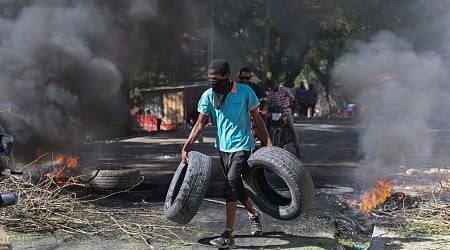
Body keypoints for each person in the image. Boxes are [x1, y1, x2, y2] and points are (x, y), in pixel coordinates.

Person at [181, 59, 272, 248]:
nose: (213, 82)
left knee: (229, 185)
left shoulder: (245, 92)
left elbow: (257, 120)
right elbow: (200, 124)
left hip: (243, 146)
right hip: (222, 148)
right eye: (210, 79)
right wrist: (186, 146)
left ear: (226, 76)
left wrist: (267, 142)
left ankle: (227, 234)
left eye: (216, 78)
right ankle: (254, 214)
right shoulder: (208, 96)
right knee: (236, 187)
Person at [267, 77, 301, 157]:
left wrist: (294, 102)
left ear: (277, 83)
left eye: (274, 83)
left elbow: (292, 97)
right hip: (275, 113)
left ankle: (297, 148)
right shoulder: (270, 93)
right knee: (269, 127)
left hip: (285, 112)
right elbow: (268, 103)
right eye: (271, 83)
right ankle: (270, 147)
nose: (273, 85)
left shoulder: (284, 89)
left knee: (292, 128)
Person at [237, 67, 269, 141]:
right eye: (243, 78)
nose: (245, 80)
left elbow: (263, 96)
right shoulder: (234, 87)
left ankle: (265, 140)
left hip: (253, 111)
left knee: (262, 121)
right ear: (239, 77)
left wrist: (263, 104)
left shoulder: (255, 87)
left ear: (250, 78)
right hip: (238, 112)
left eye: (247, 78)